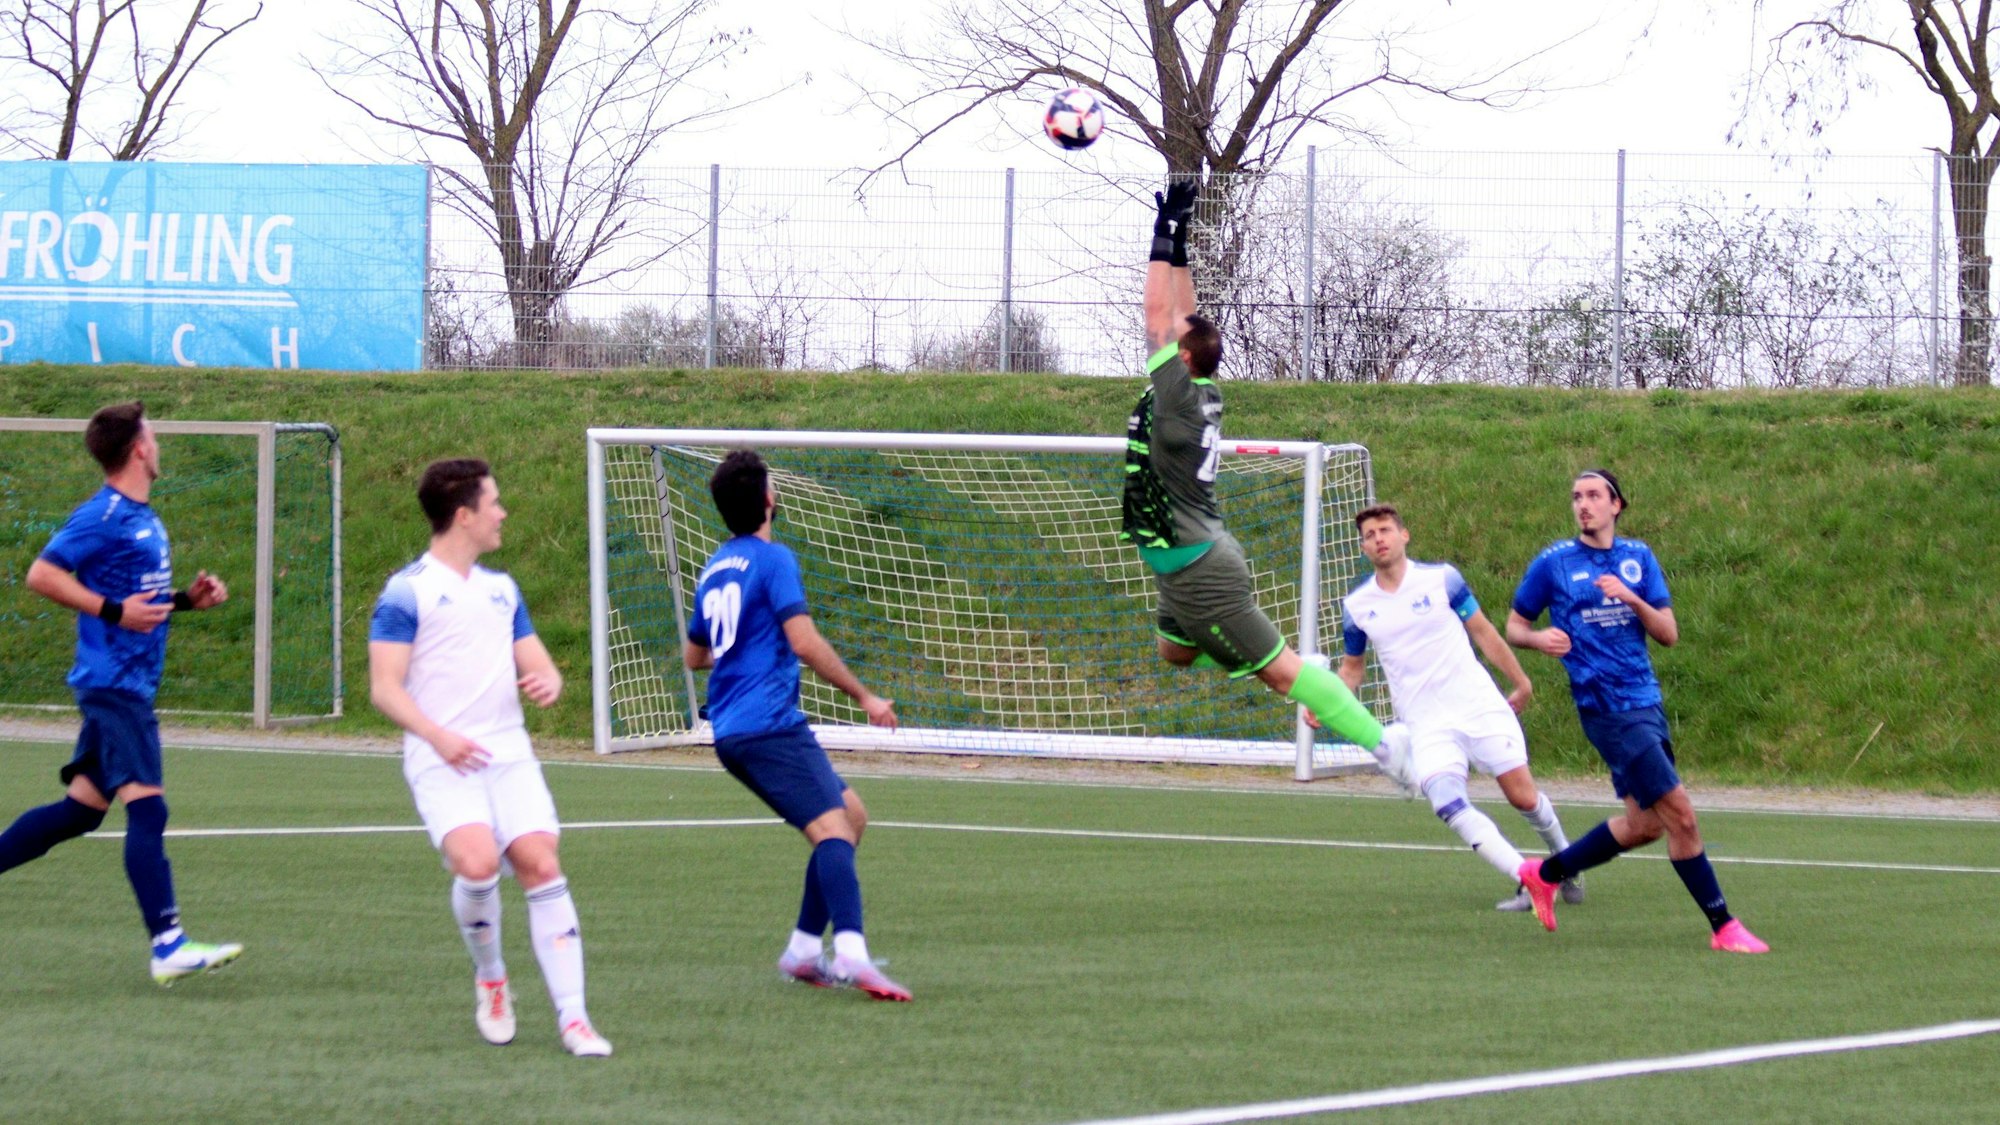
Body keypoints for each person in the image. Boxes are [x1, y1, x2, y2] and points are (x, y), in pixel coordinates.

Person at [1122, 178, 1409, 770]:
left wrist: (1158, 236)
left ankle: (1389, 748)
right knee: (1173, 652)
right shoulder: (1196, 384)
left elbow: (1157, 313)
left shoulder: (1176, 394)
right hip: (1189, 559)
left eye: (1171, 342)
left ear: (1181, 360)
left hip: (1200, 567)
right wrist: (1178, 240)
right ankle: (1277, 660)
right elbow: (1184, 317)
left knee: (1284, 678)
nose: (1166, 334)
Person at [368, 458, 613, 1056]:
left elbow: (539, 664)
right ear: (463, 516)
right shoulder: (407, 592)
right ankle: (492, 977)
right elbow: (385, 687)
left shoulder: (503, 590)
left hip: (508, 753)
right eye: (494, 503)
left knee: (540, 863)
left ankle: (574, 1019)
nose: (502, 513)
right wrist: (437, 735)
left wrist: (549, 682)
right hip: (443, 759)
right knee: (476, 865)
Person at [1, 401, 240, 986]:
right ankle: (168, 944)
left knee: (78, 813)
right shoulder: (103, 514)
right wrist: (108, 608)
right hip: (115, 686)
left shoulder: (143, 516)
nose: (158, 443)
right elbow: (42, 574)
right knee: (149, 808)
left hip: (124, 683)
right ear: (138, 448)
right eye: (153, 435)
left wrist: (186, 600)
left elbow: (136, 601)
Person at [1507, 469, 1768, 953]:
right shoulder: (1554, 562)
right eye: (1576, 497)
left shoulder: (1638, 557)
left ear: (1616, 505)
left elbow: (1668, 633)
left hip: (1645, 701)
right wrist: (1538, 638)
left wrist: (1631, 599)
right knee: (1682, 818)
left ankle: (1544, 873)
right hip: (1605, 707)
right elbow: (1514, 626)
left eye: (1592, 496)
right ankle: (1723, 926)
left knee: (1645, 825)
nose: (1583, 504)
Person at [685, 449, 911, 1002]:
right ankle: (853, 954)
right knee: (832, 832)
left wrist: (746, 652)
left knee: (850, 817)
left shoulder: (716, 567)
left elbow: (695, 656)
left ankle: (805, 950)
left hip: (741, 729)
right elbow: (804, 641)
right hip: (767, 727)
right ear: (767, 499)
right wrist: (865, 695)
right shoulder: (774, 559)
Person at [1337, 505, 1581, 910]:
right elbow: (1351, 670)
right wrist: (1325, 704)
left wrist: (1520, 681)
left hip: (1477, 705)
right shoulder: (1358, 606)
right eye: (1369, 535)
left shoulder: (1441, 579)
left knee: (1523, 798)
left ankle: (1567, 860)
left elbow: (1484, 633)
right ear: (1363, 547)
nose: (1378, 539)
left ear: (1404, 535)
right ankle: (1527, 879)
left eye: (1384, 530)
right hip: (1424, 724)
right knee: (1447, 803)